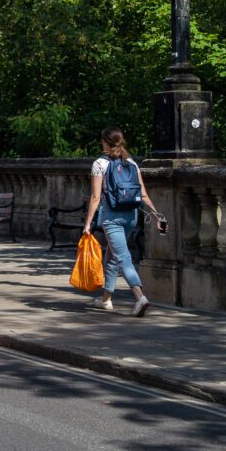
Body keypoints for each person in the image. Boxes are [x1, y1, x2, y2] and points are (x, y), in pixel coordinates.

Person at [81, 127, 165, 317]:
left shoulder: (99, 164)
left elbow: (95, 198)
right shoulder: (132, 164)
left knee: (123, 257)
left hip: (112, 217)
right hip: (131, 216)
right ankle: (106, 300)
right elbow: (142, 194)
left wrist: (88, 223)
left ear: (105, 142)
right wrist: (157, 215)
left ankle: (139, 297)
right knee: (112, 257)